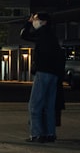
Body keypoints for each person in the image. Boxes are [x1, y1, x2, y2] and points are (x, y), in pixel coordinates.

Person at [20, 13, 66, 143]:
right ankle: (50, 133)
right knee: (49, 105)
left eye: (36, 19)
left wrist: (28, 23)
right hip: (54, 74)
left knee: (35, 104)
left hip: (43, 72)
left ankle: (37, 133)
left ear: (44, 22)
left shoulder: (41, 34)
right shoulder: (52, 36)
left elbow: (24, 35)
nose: (35, 21)